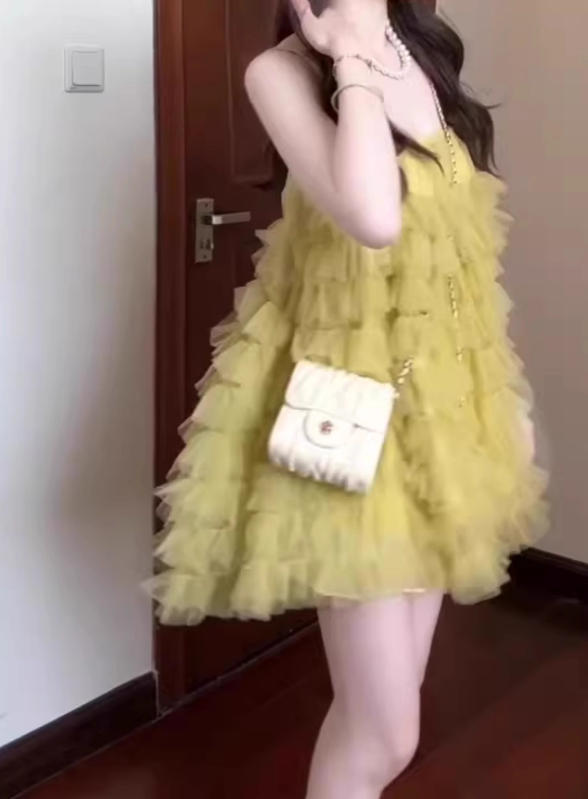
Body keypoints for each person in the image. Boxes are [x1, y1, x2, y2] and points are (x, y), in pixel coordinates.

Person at [151, 1, 547, 797]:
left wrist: (507, 398)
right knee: (386, 732)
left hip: (438, 414)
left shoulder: (422, 48)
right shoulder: (282, 72)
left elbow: (462, 256)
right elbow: (373, 216)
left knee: (382, 719)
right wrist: (350, 56)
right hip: (339, 410)